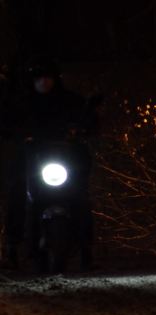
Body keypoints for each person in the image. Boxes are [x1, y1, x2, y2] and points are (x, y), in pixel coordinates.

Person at [0, 56, 98, 270]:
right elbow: (7, 121)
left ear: (55, 79)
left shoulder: (70, 101)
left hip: (67, 160)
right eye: (39, 78)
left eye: (48, 77)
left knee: (80, 196)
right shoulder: (23, 104)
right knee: (18, 191)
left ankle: (86, 247)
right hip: (34, 161)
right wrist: (16, 134)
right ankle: (12, 245)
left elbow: (88, 118)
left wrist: (83, 128)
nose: (44, 82)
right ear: (32, 81)